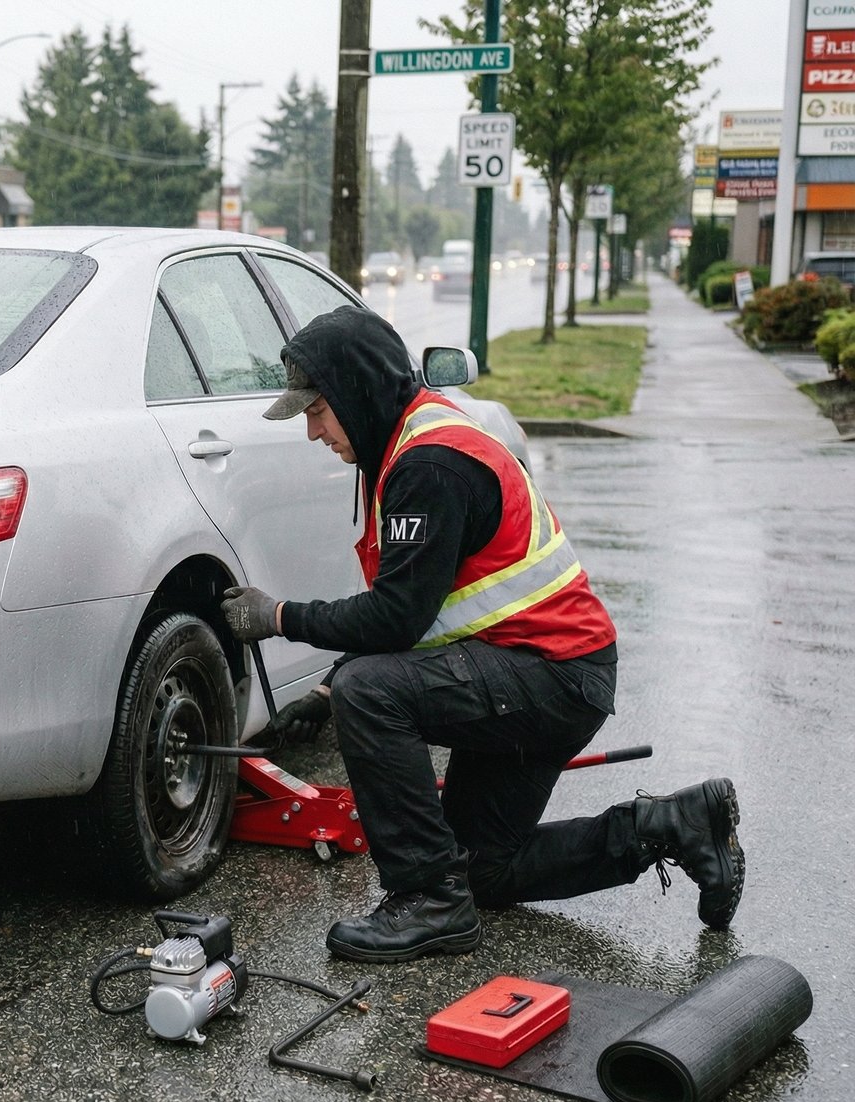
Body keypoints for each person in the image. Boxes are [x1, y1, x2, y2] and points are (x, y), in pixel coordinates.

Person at [219, 306, 744, 963]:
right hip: (542, 669)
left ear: (355, 391)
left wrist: (278, 617)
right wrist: (323, 695)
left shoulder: (427, 463)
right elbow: (426, 608)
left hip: (550, 673)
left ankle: (426, 900)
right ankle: (670, 825)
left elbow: (397, 618)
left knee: (369, 692)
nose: (311, 429)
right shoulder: (408, 443)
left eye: (316, 410)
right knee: (484, 870)